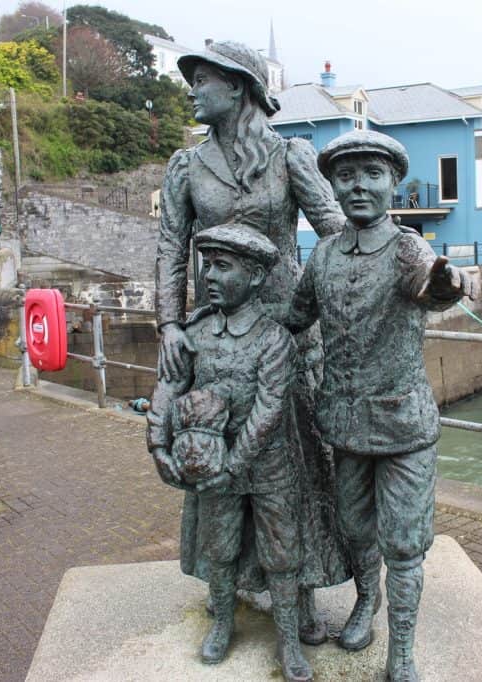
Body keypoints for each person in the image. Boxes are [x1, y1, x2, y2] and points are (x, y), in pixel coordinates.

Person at [155, 39, 349, 641]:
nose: (193, 91)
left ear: (238, 87)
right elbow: (170, 247)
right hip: (214, 334)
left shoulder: (290, 156)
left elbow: (336, 234)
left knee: (301, 463)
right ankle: (232, 581)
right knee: (221, 450)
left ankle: (304, 590)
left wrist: (357, 292)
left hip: (289, 331)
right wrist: (167, 323)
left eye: (203, 80)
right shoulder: (186, 166)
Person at [286, 130, 478, 682]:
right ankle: (365, 601)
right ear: (333, 186)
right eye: (345, 176)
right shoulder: (322, 255)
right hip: (344, 424)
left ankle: (402, 650)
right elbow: (296, 315)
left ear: (394, 182)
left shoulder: (407, 248)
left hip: (403, 425)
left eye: (371, 174)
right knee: (353, 525)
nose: (358, 186)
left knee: (404, 542)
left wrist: (448, 282)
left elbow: (430, 283)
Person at [147, 224, 312, 681]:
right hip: (211, 465)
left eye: (224, 266)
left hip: (268, 466)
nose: (209, 276)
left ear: (257, 276)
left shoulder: (274, 339)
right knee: (217, 548)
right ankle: (222, 621)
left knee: (283, 552)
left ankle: (289, 640)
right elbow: (169, 386)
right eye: (207, 266)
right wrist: (158, 443)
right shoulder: (195, 332)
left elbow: (269, 410)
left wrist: (234, 464)